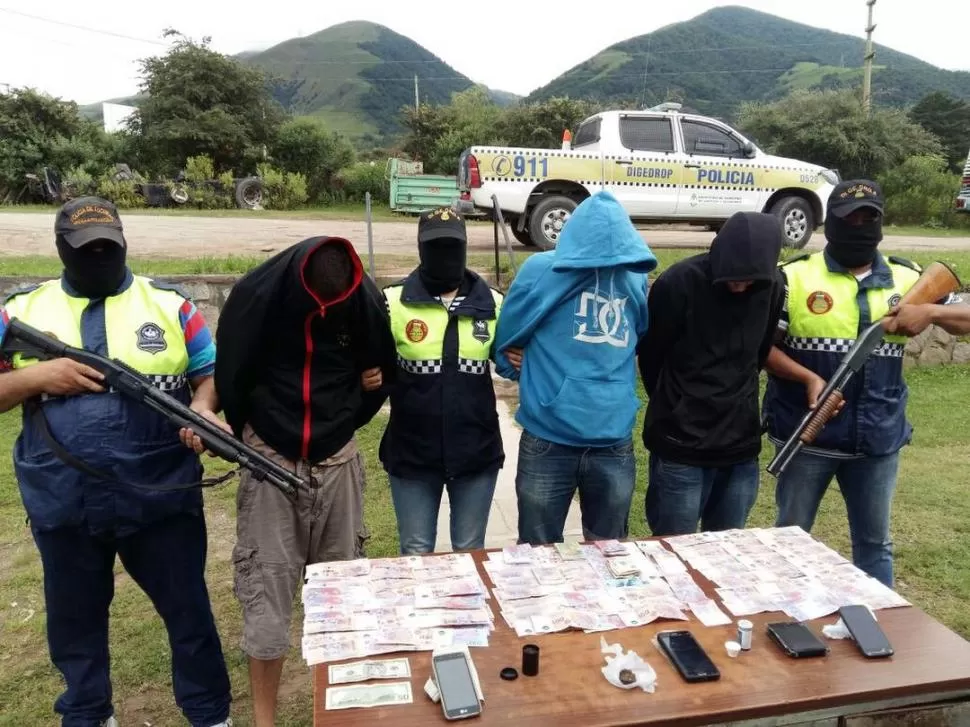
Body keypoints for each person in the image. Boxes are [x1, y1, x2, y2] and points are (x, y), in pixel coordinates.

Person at [0, 197, 232, 727]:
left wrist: (202, 406)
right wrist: (35, 378)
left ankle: (210, 715)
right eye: (86, 250)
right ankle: (87, 716)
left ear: (124, 242)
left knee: (189, 617)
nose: (99, 256)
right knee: (74, 627)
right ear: (62, 250)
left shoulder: (170, 305)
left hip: (160, 496)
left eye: (108, 247)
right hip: (62, 501)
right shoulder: (21, 311)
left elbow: (209, 372)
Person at [195, 235, 396, 727]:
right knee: (266, 601)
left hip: (337, 462)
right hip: (270, 460)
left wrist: (350, 409)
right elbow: (233, 370)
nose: (327, 314)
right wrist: (256, 436)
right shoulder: (256, 295)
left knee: (341, 599)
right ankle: (265, 720)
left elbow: (380, 369)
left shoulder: (363, 294)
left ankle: (338, 712)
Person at [763, 179, 957, 588]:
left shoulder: (908, 277)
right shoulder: (794, 277)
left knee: (874, 545)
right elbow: (761, 348)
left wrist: (931, 314)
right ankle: (783, 625)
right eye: (851, 219)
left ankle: (877, 633)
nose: (861, 226)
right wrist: (808, 377)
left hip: (877, 439)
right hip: (807, 435)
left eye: (870, 218)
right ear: (831, 224)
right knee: (789, 543)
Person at [494, 190, 657, 546]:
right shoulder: (541, 270)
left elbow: (637, 336)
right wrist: (527, 368)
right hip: (549, 440)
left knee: (610, 553)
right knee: (537, 554)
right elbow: (505, 343)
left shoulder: (633, 277)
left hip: (613, 442)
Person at [637, 211, 785, 536]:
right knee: (673, 548)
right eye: (732, 277)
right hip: (680, 445)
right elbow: (651, 356)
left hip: (740, 447)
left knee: (727, 550)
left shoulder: (773, 286)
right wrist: (677, 405)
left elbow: (758, 354)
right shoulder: (677, 283)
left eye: (750, 281)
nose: (740, 286)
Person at [380, 207, 505, 554]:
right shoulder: (392, 303)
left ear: (464, 248)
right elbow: (369, 364)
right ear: (420, 248)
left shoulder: (493, 304)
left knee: (470, 550)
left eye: (453, 246)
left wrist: (519, 358)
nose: (445, 255)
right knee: (416, 550)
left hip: (475, 453)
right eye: (436, 246)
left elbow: (511, 360)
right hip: (412, 455)